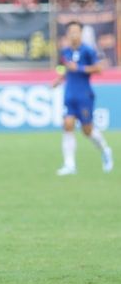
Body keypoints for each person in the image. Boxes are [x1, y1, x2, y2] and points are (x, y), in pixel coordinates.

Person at [52, 21, 112, 175]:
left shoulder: (88, 51)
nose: (73, 34)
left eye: (76, 31)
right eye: (71, 31)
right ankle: (69, 164)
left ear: (81, 33)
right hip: (69, 94)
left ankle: (105, 150)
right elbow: (64, 69)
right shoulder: (65, 52)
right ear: (67, 34)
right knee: (67, 124)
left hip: (84, 95)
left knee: (87, 130)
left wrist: (79, 68)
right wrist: (59, 79)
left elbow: (99, 69)